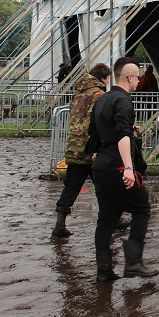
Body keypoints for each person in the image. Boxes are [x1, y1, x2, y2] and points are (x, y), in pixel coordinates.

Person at [90, 56, 158, 281]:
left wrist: (129, 129)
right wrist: (129, 168)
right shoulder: (124, 101)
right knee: (142, 208)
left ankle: (104, 270)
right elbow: (121, 134)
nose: (139, 82)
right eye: (137, 77)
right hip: (117, 166)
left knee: (107, 218)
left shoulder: (102, 99)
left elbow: (97, 130)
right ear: (129, 77)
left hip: (100, 165)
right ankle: (134, 263)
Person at [51, 62, 112, 239]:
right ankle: (111, 219)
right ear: (103, 78)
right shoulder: (99, 95)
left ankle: (59, 224)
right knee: (104, 185)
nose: (108, 82)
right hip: (91, 147)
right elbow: (99, 121)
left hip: (74, 146)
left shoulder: (78, 94)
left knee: (72, 186)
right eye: (107, 79)